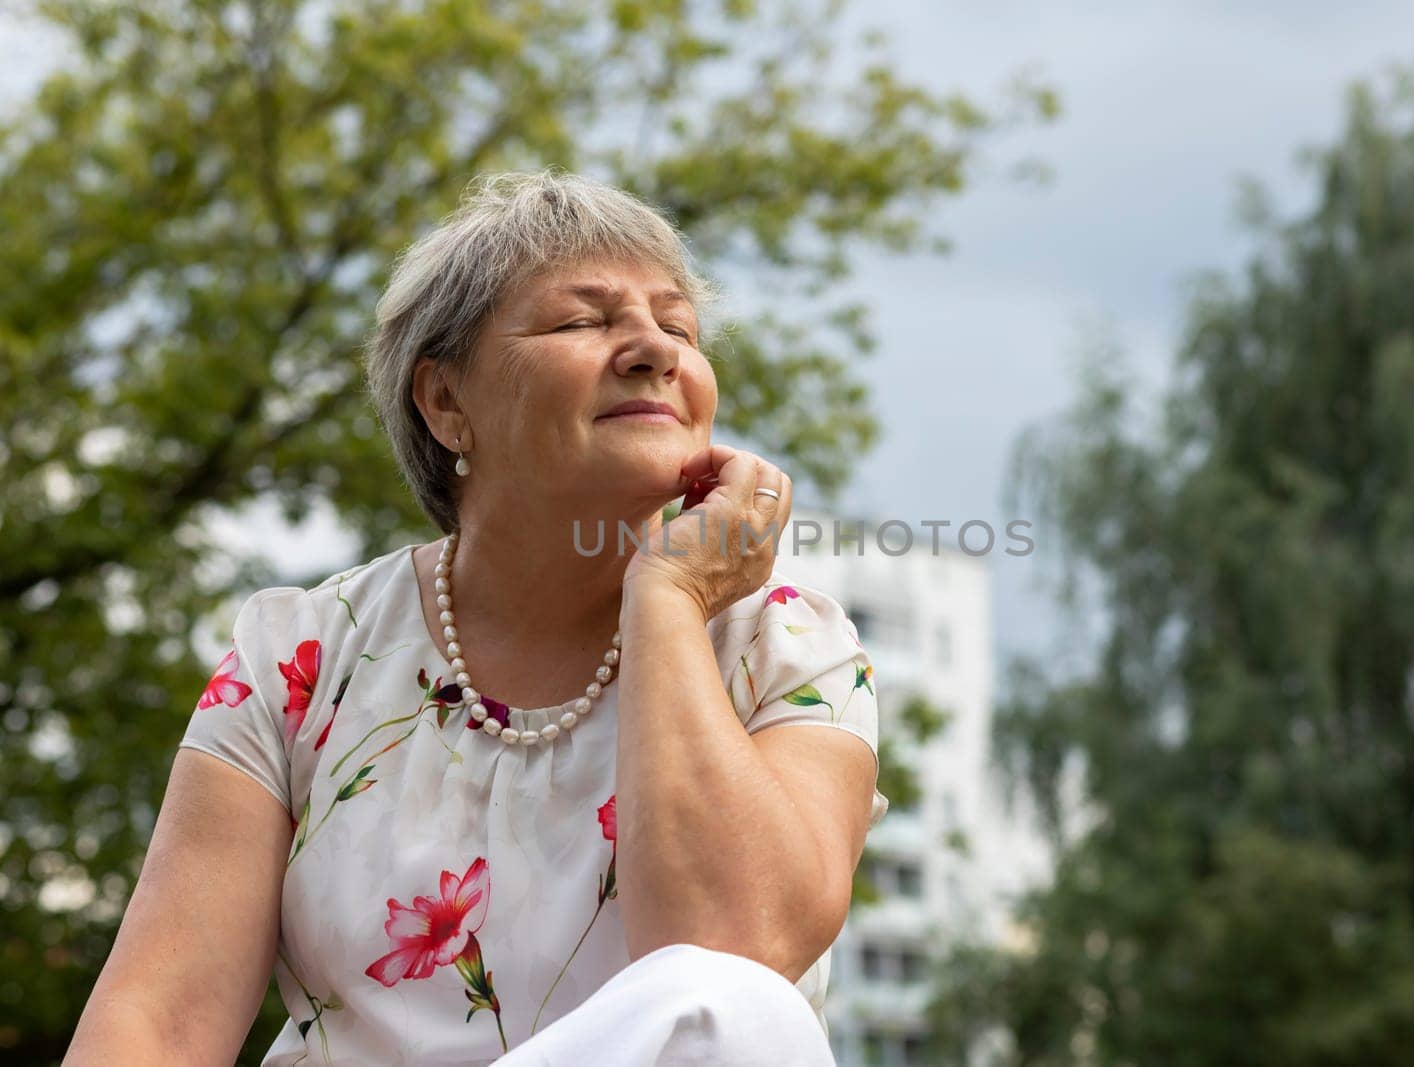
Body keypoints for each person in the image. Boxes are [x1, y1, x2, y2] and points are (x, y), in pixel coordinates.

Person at [65, 168, 888, 1066]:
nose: (655, 349)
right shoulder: (299, 656)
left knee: (732, 1005)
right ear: (447, 402)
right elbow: (156, 1024)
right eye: (583, 320)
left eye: (678, 326)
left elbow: (732, 959)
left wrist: (669, 597)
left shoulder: (788, 649)